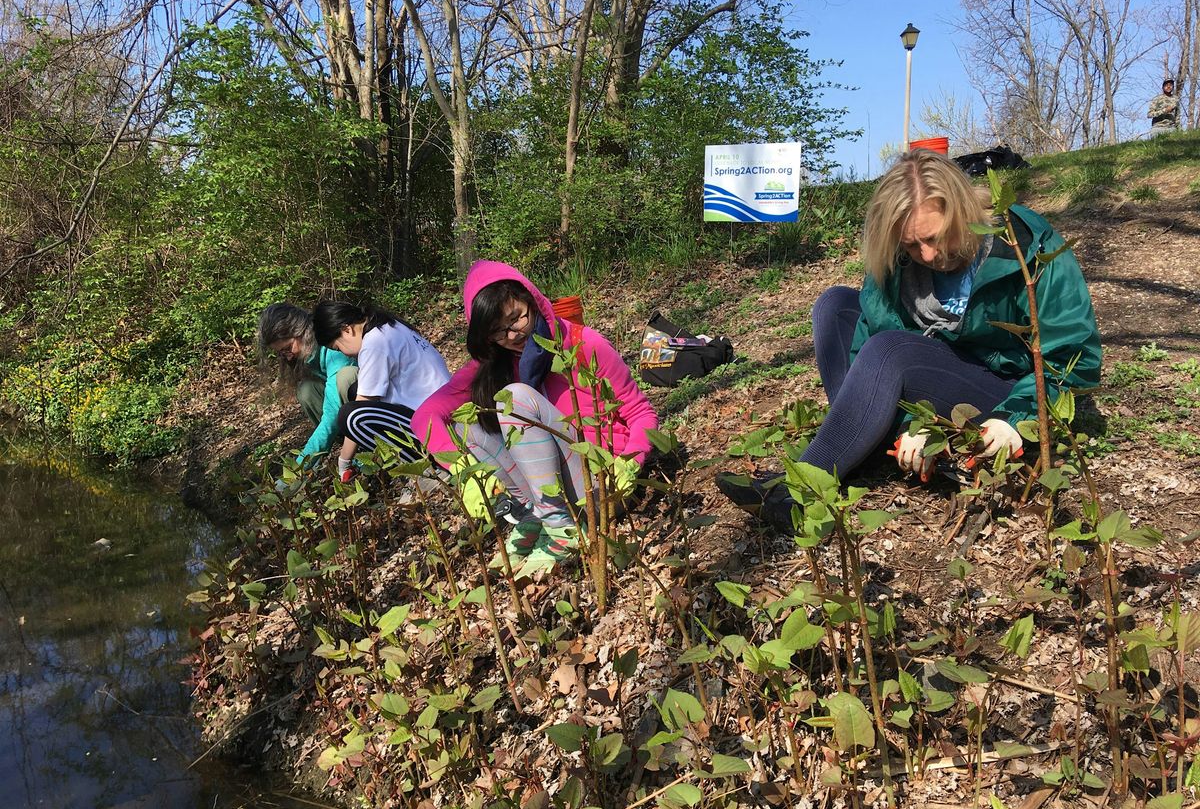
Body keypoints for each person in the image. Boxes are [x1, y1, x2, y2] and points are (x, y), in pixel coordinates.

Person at [718, 148, 1101, 530]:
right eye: (911, 245)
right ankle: (863, 441)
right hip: (925, 376)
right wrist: (908, 424)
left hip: (1004, 389)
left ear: (963, 211)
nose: (929, 255)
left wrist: (1014, 419)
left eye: (936, 237)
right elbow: (868, 338)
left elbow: (1072, 357)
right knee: (834, 306)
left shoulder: (1023, 244)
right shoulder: (898, 258)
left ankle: (799, 494)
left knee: (892, 350)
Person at [412, 261, 659, 572]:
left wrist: (629, 463)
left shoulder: (583, 343)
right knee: (465, 424)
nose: (513, 334)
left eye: (517, 318)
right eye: (498, 331)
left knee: (516, 398)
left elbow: (641, 412)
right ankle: (536, 517)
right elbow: (427, 415)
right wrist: (463, 474)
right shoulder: (493, 365)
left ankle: (561, 528)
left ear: (532, 301)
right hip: (546, 492)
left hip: (601, 483)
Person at [312, 301, 451, 478]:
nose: (343, 354)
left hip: (433, 423)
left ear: (347, 329)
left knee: (351, 416)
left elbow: (361, 407)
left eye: (338, 348)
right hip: (440, 407)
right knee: (354, 391)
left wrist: (344, 461)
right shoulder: (387, 326)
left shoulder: (374, 343)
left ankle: (426, 467)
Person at [257, 302, 358, 463]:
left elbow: (332, 412)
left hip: (377, 409)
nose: (288, 356)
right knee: (307, 389)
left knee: (346, 376)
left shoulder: (333, 347)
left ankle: (366, 443)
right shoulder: (310, 356)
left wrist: (300, 466)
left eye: (288, 348)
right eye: (281, 353)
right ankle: (350, 447)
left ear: (302, 332)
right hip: (350, 415)